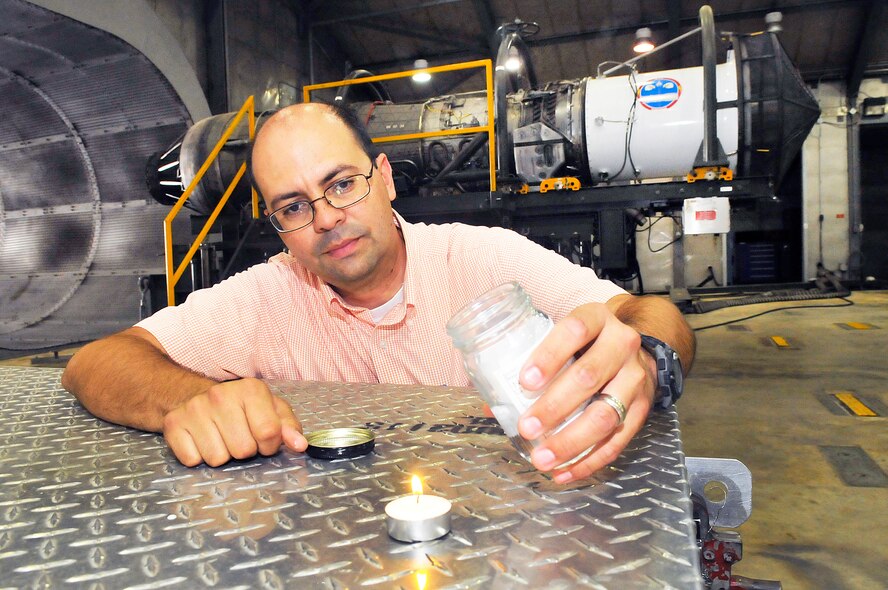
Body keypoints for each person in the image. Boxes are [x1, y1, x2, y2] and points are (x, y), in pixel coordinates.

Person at [62, 102, 695, 484]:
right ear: (279, 228)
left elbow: (650, 312)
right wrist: (198, 398)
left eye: (341, 184)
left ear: (386, 178)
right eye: (293, 206)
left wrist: (645, 354)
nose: (327, 218)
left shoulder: (481, 260)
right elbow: (96, 362)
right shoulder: (264, 299)